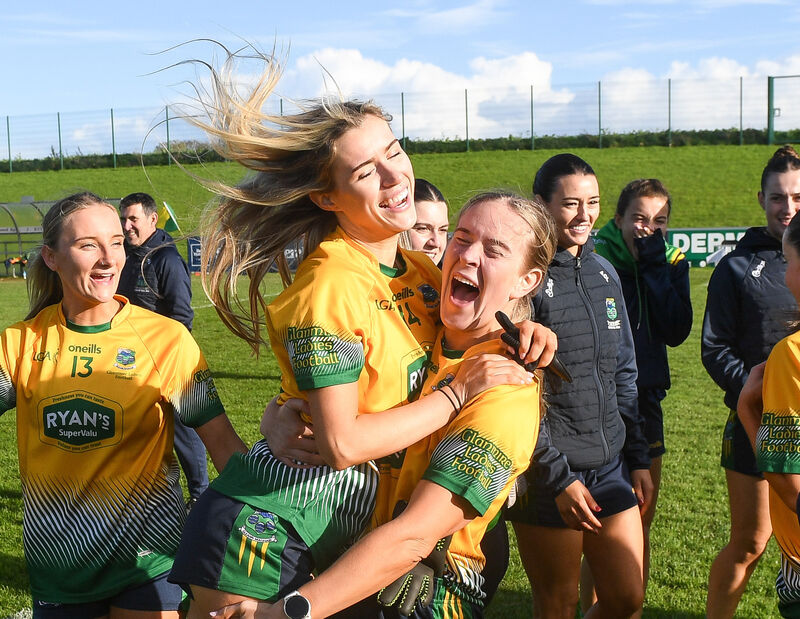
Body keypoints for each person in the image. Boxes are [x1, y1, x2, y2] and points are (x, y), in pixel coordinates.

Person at [165, 48, 553, 617]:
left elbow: (465, 331)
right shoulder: (331, 282)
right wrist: (456, 395)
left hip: (331, 533)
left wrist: (530, 332)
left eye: (394, 151)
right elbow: (342, 444)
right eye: (367, 171)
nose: (395, 177)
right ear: (328, 198)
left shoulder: (421, 275)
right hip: (262, 529)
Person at [206, 190, 557, 619]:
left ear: (527, 281)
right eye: (462, 238)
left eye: (494, 251)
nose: (467, 255)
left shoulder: (504, 387)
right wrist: (279, 414)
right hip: (361, 570)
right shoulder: (431, 313)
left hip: (426, 592)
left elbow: (414, 536)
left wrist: (282, 615)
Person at [0, 192, 246, 617]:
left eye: (115, 242)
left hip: (149, 562)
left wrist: (285, 514)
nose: (108, 259)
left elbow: (224, 446)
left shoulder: (167, 341)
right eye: (88, 245)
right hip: (60, 570)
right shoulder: (19, 345)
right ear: (51, 258)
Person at [506, 153, 652, 619]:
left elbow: (624, 371)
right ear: (541, 204)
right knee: (558, 604)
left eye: (592, 202)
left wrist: (637, 457)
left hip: (610, 466)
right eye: (571, 203)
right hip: (549, 474)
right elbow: (516, 396)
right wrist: (558, 478)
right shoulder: (524, 281)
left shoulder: (605, 272)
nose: (584, 215)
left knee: (626, 598)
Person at [702, 145, 800, 618]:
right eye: (778, 197)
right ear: (761, 199)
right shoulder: (736, 267)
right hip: (756, 421)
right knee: (752, 541)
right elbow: (714, 347)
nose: (788, 207)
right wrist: (757, 394)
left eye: (797, 196)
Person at [592, 178, 692, 608]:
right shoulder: (595, 258)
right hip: (597, 398)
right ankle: (593, 605)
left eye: (659, 220)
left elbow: (676, 330)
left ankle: (629, 609)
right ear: (618, 218)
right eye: (639, 218)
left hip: (645, 400)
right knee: (596, 522)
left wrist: (653, 266)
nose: (649, 229)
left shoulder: (671, 262)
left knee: (640, 512)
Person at [118, 190, 209, 509]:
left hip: (167, 358)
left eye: (133, 219)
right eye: (123, 219)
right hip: (129, 359)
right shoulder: (123, 256)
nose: (127, 226)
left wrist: (167, 357)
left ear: (153, 219)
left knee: (183, 429)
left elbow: (182, 315)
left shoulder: (166, 259)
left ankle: (199, 495)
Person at [737, 211, 800, 618]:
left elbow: (786, 476)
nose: (785, 274)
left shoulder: (791, 354)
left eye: (789, 261)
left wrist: (747, 410)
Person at [399, 178, 450, 267]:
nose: (436, 243)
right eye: (423, 229)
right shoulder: (374, 273)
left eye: (442, 230)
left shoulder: (449, 274)